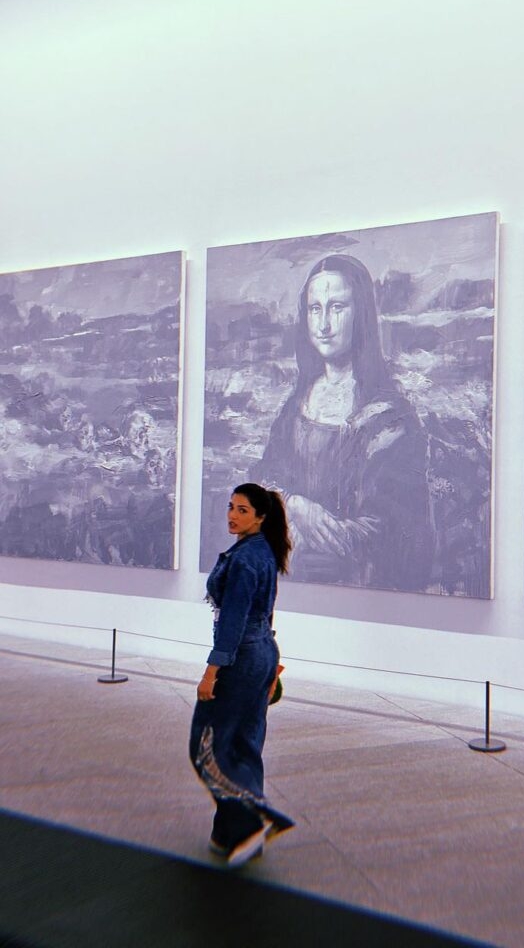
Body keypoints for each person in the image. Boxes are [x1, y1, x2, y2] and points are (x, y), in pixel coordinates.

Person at [259, 253, 433, 591]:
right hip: (293, 581)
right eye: (315, 309)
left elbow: (395, 532)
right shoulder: (296, 406)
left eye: (337, 308)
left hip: (360, 590)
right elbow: (263, 480)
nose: (324, 324)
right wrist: (294, 505)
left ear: (362, 315)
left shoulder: (389, 418)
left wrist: (310, 536)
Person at [189, 482, 294, 867]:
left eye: (243, 510)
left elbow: (233, 623)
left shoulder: (247, 559)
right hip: (261, 651)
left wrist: (211, 673)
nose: (233, 515)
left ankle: (254, 817)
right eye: (231, 507)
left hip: (240, 657)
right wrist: (268, 661)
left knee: (207, 747)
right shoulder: (261, 551)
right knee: (245, 744)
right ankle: (229, 831)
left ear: (261, 517)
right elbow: (263, 613)